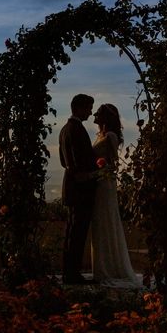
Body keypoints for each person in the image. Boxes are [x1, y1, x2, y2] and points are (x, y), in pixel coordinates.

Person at [91, 104, 142, 288]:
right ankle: (102, 266)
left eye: (97, 114)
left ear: (104, 118)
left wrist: (101, 169)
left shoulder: (111, 136)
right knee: (99, 223)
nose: (94, 116)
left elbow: (112, 163)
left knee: (106, 221)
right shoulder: (100, 136)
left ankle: (110, 268)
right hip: (98, 181)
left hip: (105, 183)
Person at [59, 94, 98, 284]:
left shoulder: (65, 129)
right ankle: (72, 274)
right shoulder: (76, 130)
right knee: (77, 234)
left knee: (72, 232)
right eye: (89, 108)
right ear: (79, 108)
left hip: (71, 186)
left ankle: (69, 271)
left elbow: (63, 160)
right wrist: (93, 174)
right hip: (80, 189)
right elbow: (78, 162)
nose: (91, 113)